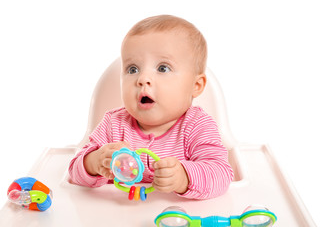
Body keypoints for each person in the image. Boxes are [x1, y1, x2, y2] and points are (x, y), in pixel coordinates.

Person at [69, 15, 234, 199]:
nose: (142, 79)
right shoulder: (113, 124)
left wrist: (183, 178)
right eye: (132, 69)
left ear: (196, 86)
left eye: (163, 68)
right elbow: (73, 172)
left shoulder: (197, 126)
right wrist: (94, 162)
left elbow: (221, 174)